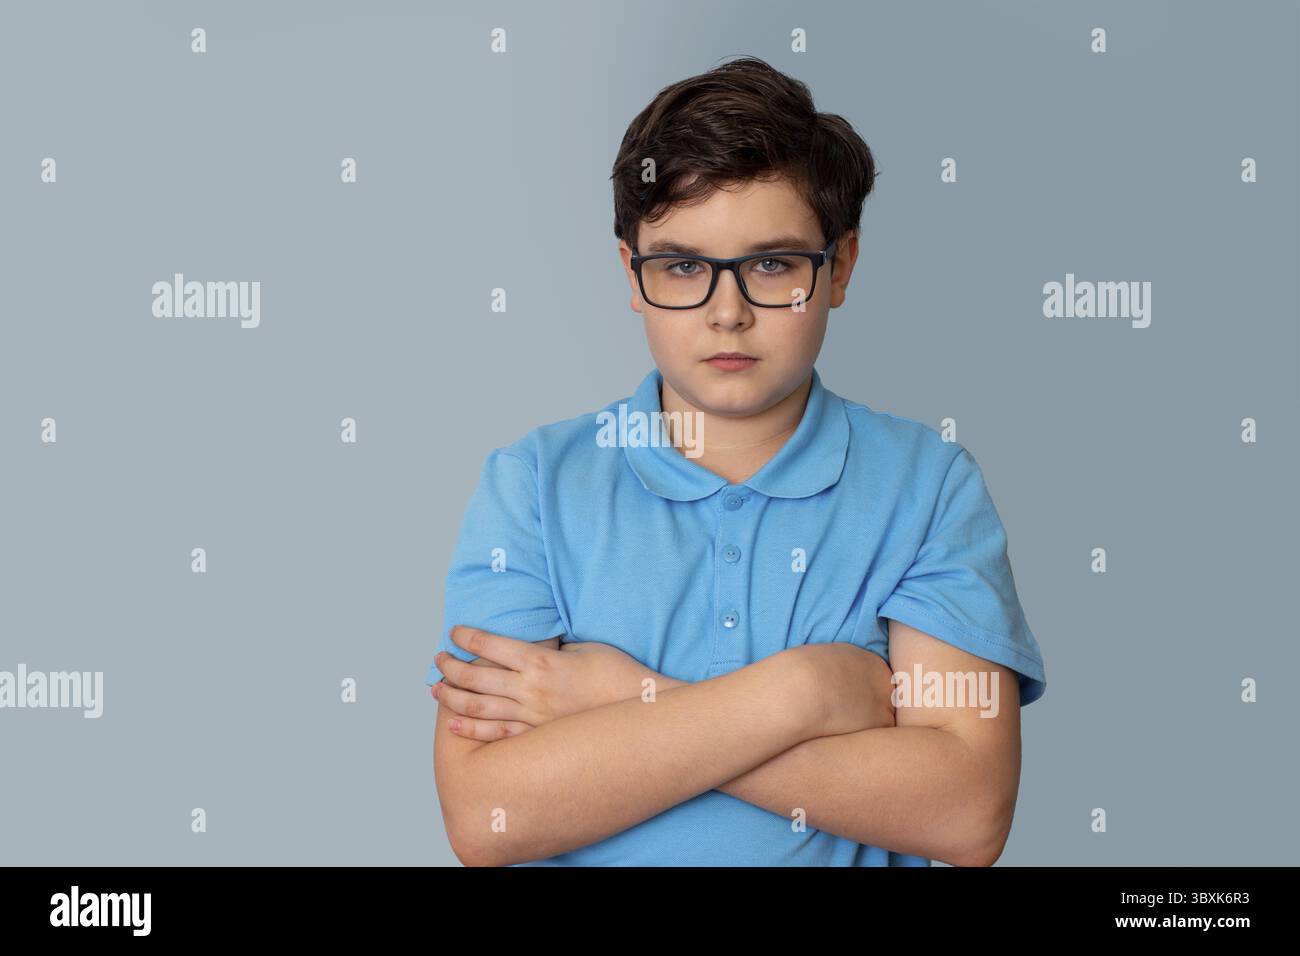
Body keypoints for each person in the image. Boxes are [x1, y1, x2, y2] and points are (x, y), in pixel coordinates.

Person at [424, 55, 1046, 866]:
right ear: (631, 275)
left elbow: (963, 814)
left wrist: (621, 698)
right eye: (683, 266)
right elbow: (489, 814)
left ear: (840, 268)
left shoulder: (927, 488)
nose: (728, 313)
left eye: (772, 266)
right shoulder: (535, 485)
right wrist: (809, 692)